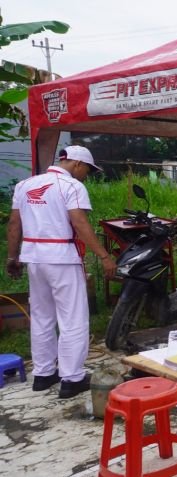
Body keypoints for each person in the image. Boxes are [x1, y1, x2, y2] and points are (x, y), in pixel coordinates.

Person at [6, 146, 117, 399]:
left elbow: (14, 224)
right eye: (87, 169)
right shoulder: (71, 186)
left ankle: (43, 375)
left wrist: (12, 257)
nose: (86, 175)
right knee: (73, 319)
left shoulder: (25, 185)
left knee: (42, 316)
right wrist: (104, 256)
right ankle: (72, 378)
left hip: (34, 259)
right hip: (62, 259)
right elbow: (79, 223)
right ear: (77, 164)